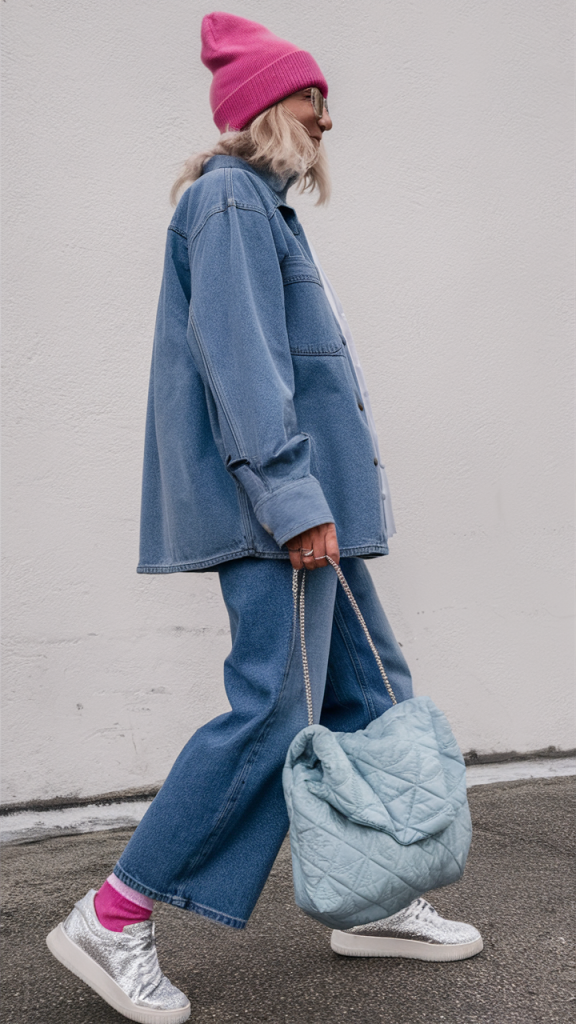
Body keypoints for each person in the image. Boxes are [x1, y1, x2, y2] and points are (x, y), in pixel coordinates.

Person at [46, 14, 483, 1023]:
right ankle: (112, 915)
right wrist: (292, 497)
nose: (328, 118)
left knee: (371, 696)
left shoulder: (263, 209)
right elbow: (243, 369)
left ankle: (374, 898)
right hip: (277, 515)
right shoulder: (230, 202)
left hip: (312, 511)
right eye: (310, 100)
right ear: (263, 112)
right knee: (271, 713)